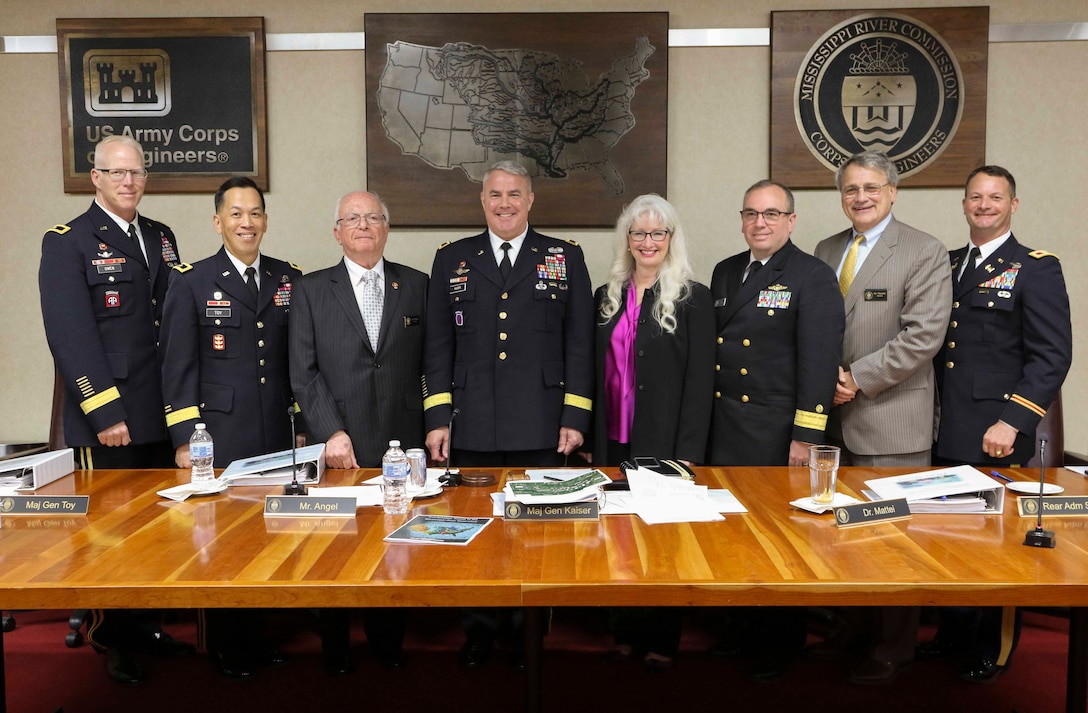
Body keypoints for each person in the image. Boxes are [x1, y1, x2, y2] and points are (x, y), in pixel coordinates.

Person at [422, 160, 594, 668]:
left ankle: (528, 638)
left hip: (542, 420)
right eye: (495, 194)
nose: (504, 203)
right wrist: (437, 418)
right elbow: (437, 347)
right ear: (482, 200)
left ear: (531, 200)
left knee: (536, 533)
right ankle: (478, 633)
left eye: (514, 194)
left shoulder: (563, 258)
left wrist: (576, 415)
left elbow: (579, 344)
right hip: (470, 422)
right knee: (473, 532)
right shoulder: (452, 259)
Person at [38, 134, 192, 684]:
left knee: (158, 529)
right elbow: (71, 336)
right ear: (95, 178)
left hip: (159, 410)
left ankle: (148, 626)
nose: (129, 182)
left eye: (137, 173)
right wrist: (104, 413)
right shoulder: (69, 242)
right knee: (111, 538)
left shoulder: (162, 237)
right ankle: (113, 639)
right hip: (112, 417)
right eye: (117, 173)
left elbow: (173, 323)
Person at [924, 165, 1073, 683]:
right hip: (942, 425)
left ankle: (995, 645)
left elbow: (1052, 357)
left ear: (1014, 204)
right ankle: (953, 633)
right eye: (975, 197)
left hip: (995, 431)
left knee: (995, 547)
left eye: (995, 197)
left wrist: (1013, 421)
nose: (984, 205)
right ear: (964, 205)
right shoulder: (945, 264)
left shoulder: (1036, 267)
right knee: (944, 536)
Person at [812, 150, 952, 685]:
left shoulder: (923, 250)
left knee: (893, 541)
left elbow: (923, 336)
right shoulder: (826, 250)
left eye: (871, 188)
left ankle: (895, 648)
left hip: (891, 417)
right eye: (851, 189)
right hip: (834, 423)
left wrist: (855, 378)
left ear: (893, 192)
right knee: (841, 534)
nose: (861, 197)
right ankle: (851, 630)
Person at [158, 176, 301, 679]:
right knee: (221, 541)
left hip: (273, 430)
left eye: (256, 213)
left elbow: (297, 363)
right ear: (218, 222)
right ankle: (225, 645)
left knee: (269, 536)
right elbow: (176, 368)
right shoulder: (191, 280)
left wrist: (301, 427)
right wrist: (184, 438)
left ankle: (259, 637)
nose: (247, 222)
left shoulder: (288, 278)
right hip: (217, 434)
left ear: (265, 220)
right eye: (236, 214)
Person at [707, 180, 844, 680]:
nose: (759, 223)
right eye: (750, 213)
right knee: (733, 535)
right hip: (725, 427)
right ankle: (737, 631)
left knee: (781, 541)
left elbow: (820, 361)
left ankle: (780, 643)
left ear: (791, 221)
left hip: (775, 428)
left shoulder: (812, 275)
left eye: (771, 214)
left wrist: (806, 436)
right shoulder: (725, 271)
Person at [290, 190, 427, 674]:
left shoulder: (416, 285)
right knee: (336, 544)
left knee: (397, 542)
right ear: (337, 232)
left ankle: (388, 642)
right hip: (340, 442)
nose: (363, 225)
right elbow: (303, 371)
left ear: (387, 229)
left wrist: (432, 430)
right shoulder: (310, 290)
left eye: (373, 218)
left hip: (402, 439)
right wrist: (329, 432)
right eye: (353, 218)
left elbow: (432, 365)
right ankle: (336, 646)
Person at [589, 194, 714, 671]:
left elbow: (701, 382)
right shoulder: (607, 296)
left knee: (662, 540)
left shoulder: (692, 297)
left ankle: (662, 637)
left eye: (657, 233)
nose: (647, 242)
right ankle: (623, 633)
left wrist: (687, 452)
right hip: (613, 439)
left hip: (665, 441)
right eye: (639, 233)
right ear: (628, 239)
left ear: (670, 239)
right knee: (616, 535)